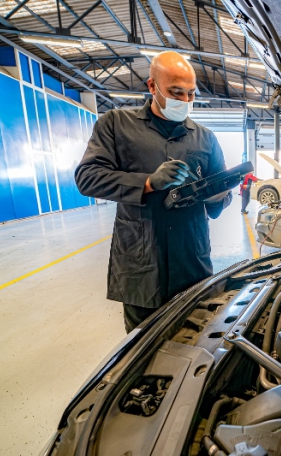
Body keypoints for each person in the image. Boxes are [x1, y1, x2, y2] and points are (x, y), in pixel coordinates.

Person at [75, 51, 232, 333]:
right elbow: (87, 178)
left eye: (190, 94)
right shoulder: (115, 125)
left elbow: (219, 200)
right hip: (142, 262)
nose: (184, 101)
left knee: (194, 343)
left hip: (191, 261)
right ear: (152, 86)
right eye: (176, 92)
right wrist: (148, 182)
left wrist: (217, 194)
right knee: (143, 350)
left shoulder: (205, 137)